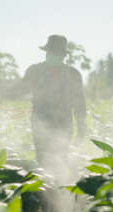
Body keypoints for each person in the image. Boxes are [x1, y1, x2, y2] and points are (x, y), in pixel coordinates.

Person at [21, 35, 87, 174]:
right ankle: (46, 189)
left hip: (64, 123)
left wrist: (81, 126)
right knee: (43, 158)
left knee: (60, 157)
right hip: (40, 122)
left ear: (63, 55)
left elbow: (79, 102)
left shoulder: (73, 74)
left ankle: (59, 187)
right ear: (46, 52)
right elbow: (19, 89)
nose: (52, 55)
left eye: (56, 53)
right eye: (50, 52)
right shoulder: (35, 71)